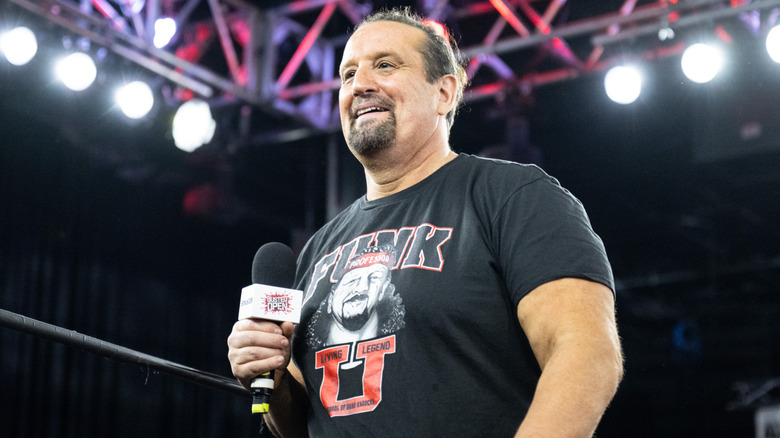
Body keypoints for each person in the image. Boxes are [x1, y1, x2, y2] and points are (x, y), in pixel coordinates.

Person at [228, 7, 623, 438]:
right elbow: (301, 425)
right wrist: (273, 378)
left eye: (385, 64)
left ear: (445, 93)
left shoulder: (513, 196)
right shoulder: (319, 249)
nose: (359, 85)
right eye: (347, 74)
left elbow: (585, 354)